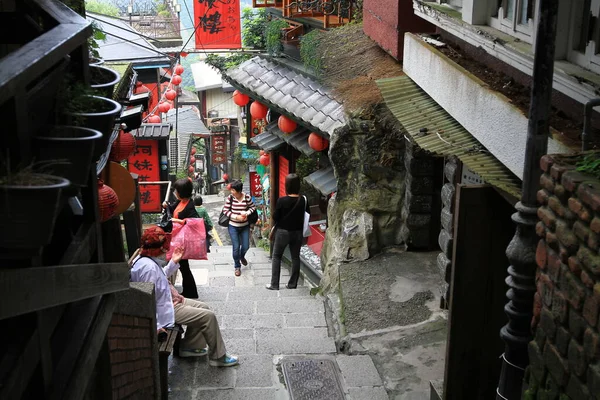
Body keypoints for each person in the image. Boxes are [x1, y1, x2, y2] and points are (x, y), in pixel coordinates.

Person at [130, 226, 238, 367]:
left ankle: (189, 346)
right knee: (208, 316)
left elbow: (159, 279)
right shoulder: (148, 268)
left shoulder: (145, 259)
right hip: (165, 308)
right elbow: (146, 300)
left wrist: (174, 262)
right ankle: (218, 356)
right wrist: (156, 326)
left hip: (167, 301)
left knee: (203, 307)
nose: (166, 249)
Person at [266, 174, 310, 290]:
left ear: (287, 185)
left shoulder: (282, 200)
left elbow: (275, 216)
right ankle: (292, 284)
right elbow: (307, 215)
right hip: (298, 233)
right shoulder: (303, 200)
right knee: (295, 257)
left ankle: (274, 284)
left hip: (283, 232)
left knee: (276, 256)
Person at [163, 178, 199, 298]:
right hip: (177, 239)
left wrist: (178, 221)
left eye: (176, 190)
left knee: (184, 266)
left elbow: (195, 221)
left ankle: (190, 291)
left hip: (183, 240)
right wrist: (166, 206)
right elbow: (171, 209)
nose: (175, 192)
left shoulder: (189, 205)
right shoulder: (180, 202)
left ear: (181, 192)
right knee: (183, 266)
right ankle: (189, 291)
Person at [222, 180, 255, 277]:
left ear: (239, 191)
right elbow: (225, 210)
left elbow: (252, 207)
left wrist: (246, 213)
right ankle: (237, 266)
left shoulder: (247, 197)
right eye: (231, 190)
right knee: (236, 247)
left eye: (233, 190)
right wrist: (236, 217)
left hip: (244, 226)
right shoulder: (230, 198)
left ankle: (241, 256)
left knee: (246, 246)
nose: (231, 192)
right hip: (233, 226)